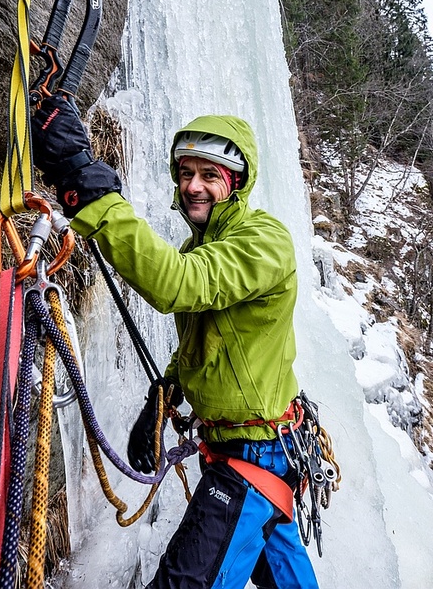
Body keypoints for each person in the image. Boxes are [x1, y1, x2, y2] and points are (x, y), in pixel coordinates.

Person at [31, 93, 319, 589]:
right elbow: (207, 341)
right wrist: (162, 396)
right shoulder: (198, 246)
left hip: (254, 458)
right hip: (252, 451)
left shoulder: (264, 240)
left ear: (236, 181)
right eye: (186, 173)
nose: (193, 186)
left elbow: (177, 284)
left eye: (209, 175)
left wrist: (88, 187)